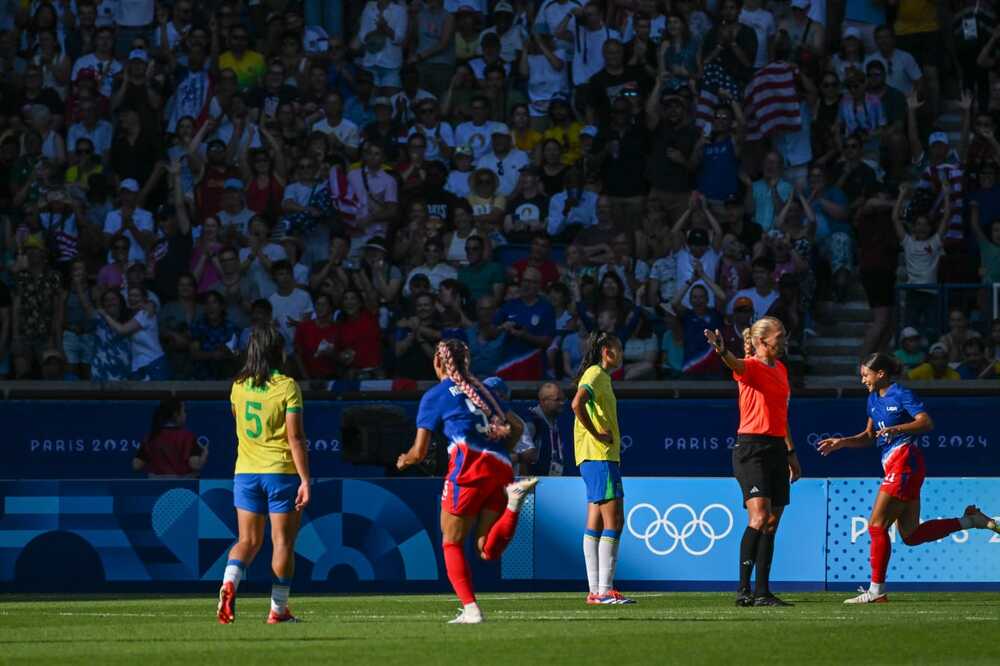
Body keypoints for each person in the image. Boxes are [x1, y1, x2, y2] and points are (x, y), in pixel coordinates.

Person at [818, 353, 1000, 604]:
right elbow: (870, 435)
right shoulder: (872, 399)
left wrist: (897, 429)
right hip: (897, 465)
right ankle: (970, 521)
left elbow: (926, 422)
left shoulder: (901, 394)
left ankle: (876, 591)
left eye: (865, 375)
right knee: (911, 535)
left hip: (905, 463)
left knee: (876, 526)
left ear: (881, 374)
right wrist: (843, 443)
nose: (862, 380)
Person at [396, 339, 535, 624]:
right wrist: (498, 455)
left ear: (437, 362)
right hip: (501, 467)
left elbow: (419, 452)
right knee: (486, 549)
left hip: (469, 467)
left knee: (451, 542)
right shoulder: (485, 390)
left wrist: (403, 460)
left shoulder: (435, 395)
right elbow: (517, 426)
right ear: (467, 362)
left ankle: (471, 609)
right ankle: (513, 503)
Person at [704, 316, 801, 607]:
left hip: (775, 448)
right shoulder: (751, 366)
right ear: (762, 341)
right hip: (751, 448)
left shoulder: (782, 370)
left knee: (772, 522)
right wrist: (722, 351)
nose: (783, 340)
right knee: (759, 517)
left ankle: (762, 592)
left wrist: (791, 454)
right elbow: (735, 364)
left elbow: (782, 418)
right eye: (778, 336)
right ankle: (743, 589)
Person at [218, 324, 311, 625]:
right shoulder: (287, 386)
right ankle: (278, 610)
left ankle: (230, 582)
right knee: (282, 543)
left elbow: (239, 425)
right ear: (277, 351)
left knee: (247, 540)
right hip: (280, 473)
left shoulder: (238, 386)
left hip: (245, 472)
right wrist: (306, 480)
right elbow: (295, 438)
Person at [571, 331, 634, 606]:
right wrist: (597, 435)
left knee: (595, 521)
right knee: (615, 520)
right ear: (607, 350)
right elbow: (577, 404)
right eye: (619, 347)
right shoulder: (595, 374)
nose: (622, 353)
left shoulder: (600, 376)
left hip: (594, 457)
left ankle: (596, 591)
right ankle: (604, 590)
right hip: (599, 456)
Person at [133, 399, 208, 478]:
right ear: (176, 414)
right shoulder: (188, 437)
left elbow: (136, 465)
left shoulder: (150, 437)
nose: (186, 414)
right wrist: (204, 453)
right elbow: (195, 465)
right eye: (184, 411)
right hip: (182, 487)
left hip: (155, 487)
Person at [517, 381, 570, 477]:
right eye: (557, 399)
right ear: (543, 401)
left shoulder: (554, 421)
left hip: (550, 480)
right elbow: (522, 456)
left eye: (563, 399)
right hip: (533, 483)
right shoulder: (531, 422)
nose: (562, 403)